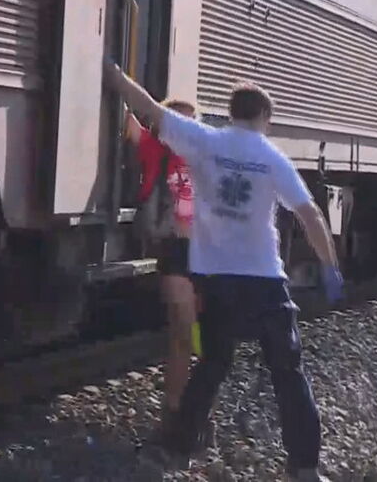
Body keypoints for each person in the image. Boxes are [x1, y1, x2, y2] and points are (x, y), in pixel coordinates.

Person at [105, 64, 343, 482]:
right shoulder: (271, 156)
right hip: (265, 282)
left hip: (215, 279)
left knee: (213, 362)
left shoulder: (204, 141)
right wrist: (330, 266)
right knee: (288, 372)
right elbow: (310, 214)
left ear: (231, 113)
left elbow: (148, 109)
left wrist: (115, 74)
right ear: (265, 118)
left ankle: (177, 447)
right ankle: (304, 468)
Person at [123, 99, 214, 448]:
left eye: (190, 124)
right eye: (176, 123)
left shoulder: (211, 159)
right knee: (183, 332)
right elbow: (128, 120)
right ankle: (174, 413)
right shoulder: (155, 150)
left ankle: (199, 415)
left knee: (206, 341)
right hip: (177, 251)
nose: (184, 131)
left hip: (210, 255)